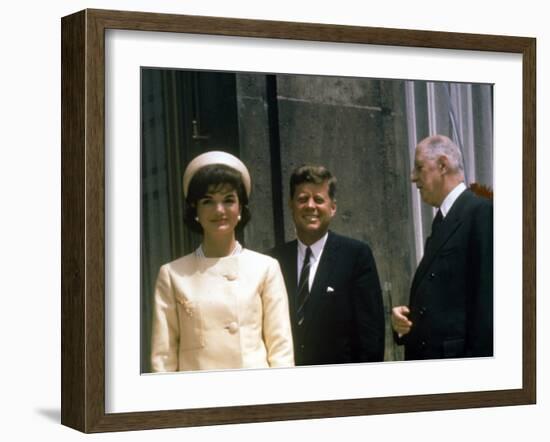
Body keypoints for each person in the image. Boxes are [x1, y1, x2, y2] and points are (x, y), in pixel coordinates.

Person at [151, 151, 294, 372]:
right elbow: (163, 357)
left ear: (240, 209)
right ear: (195, 210)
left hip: (254, 393)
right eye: (208, 201)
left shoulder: (265, 268)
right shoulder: (172, 274)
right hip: (197, 397)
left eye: (228, 200)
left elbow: (281, 348)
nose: (219, 210)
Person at [270, 165, 385, 366]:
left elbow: (370, 336)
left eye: (319, 199)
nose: (310, 206)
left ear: (333, 208)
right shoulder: (273, 261)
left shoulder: (355, 256)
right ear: (291, 205)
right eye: (302, 199)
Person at [391, 134, 493, 360]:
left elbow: (487, 307)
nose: (412, 178)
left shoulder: (481, 213)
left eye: (419, 167)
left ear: (443, 165)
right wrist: (406, 321)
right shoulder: (443, 220)